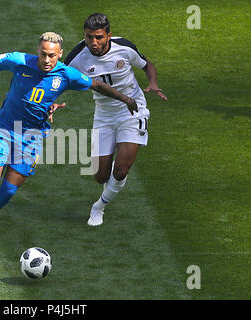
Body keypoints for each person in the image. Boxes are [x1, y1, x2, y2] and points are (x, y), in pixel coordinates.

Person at [0, 32, 138, 236]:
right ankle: (1, 157)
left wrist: (126, 99)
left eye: (52, 55)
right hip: (6, 129)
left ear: (60, 54)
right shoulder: (19, 61)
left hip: (32, 137)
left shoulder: (66, 74)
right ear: (38, 50)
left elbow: (97, 85)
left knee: (8, 190)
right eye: (43, 54)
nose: (46, 59)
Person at [63, 13, 167, 226]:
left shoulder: (124, 47)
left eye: (99, 37)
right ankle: (108, 180)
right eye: (89, 37)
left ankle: (99, 206)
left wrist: (153, 83)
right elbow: (59, 79)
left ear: (108, 35)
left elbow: (146, 65)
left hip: (133, 110)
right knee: (101, 176)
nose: (94, 42)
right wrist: (51, 102)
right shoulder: (77, 57)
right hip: (104, 114)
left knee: (121, 170)